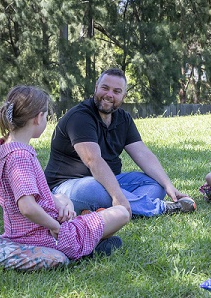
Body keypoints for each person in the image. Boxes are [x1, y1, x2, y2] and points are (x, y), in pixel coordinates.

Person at [0, 86, 129, 259]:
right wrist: (56, 227)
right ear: (38, 118)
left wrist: (59, 205)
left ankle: (89, 235)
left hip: (25, 231)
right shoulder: (20, 156)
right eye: (46, 116)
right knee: (122, 213)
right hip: (43, 237)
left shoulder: (5, 149)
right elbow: (27, 207)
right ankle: (87, 245)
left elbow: (36, 195)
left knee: (63, 199)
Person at [44, 69, 196, 217]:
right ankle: (159, 208)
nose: (109, 95)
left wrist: (169, 186)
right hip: (68, 187)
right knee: (93, 188)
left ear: (124, 95)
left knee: (156, 184)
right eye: (105, 88)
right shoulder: (80, 117)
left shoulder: (123, 118)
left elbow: (143, 154)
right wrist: (117, 195)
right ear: (96, 88)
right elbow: (93, 160)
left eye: (116, 91)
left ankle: (106, 211)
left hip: (110, 181)